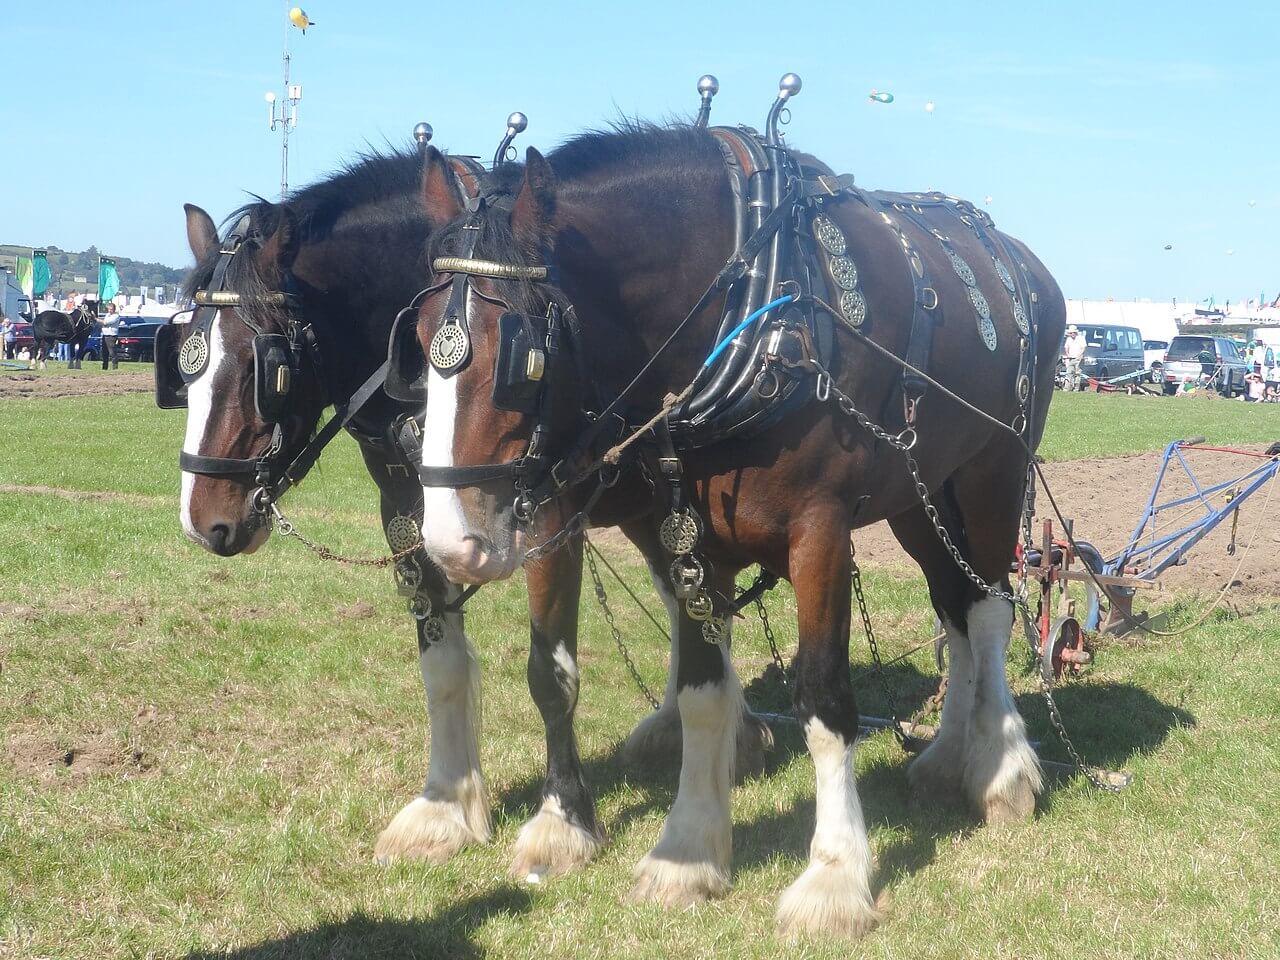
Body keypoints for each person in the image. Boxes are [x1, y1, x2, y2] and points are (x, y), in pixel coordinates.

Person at [1062, 325, 1086, 391]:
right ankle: (1066, 388)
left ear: (1075, 333)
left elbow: (1083, 347)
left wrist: (1079, 355)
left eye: (1073, 332)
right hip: (1070, 358)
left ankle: (1076, 388)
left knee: (1077, 374)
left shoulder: (1081, 338)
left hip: (1078, 358)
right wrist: (1067, 354)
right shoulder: (1069, 339)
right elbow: (1066, 347)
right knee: (1068, 373)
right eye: (1070, 333)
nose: (1071, 334)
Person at [100, 303, 121, 370]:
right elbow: (104, 323)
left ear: (114, 309)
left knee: (112, 353)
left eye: (111, 309)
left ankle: (115, 367)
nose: (109, 311)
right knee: (104, 353)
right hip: (105, 335)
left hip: (111, 336)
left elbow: (105, 323)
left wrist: (95, 319)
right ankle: (104, 367)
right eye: (108, 309)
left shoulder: (116, 316)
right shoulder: (107, 315)